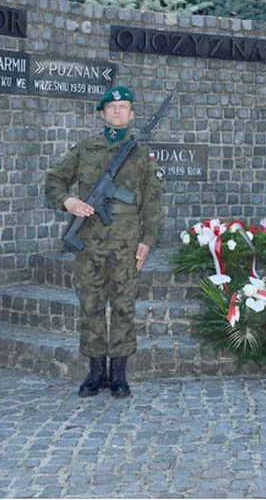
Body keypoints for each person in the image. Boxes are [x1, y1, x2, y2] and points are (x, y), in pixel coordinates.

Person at [44, 85, 164, 398]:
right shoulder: (84, 148)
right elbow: (54, 181)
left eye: (124, 107)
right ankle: (96, 371)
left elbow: (152, 200)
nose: (117, 111)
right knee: (91, 306)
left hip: (126, 244)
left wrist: (147, 239)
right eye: (111, 107)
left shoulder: (140, 154)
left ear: (131, 114)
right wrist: (69, 202)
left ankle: (120, 374)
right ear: (101, 112)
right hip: (90, 243)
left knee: (123, 306)